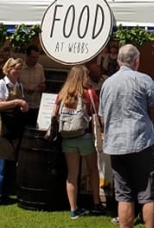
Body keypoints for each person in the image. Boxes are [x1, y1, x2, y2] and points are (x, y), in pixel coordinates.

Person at [98, 44, 154, 228]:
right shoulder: (144, 80)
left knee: (124, 196)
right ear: (136, 61)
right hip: (141, 142)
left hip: (116, 146)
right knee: (149, 195)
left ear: (118, 61)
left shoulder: (107, 84)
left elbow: (102, 118)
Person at [52, 65, 104, 219]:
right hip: (85, 136)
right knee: (92, 169)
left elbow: (54, 114)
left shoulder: (62, 93)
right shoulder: (88, 93)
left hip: (68, 138)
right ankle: (96, 203)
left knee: (72, 174)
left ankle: (73, 209)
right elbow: (97, 112)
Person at [0, 58, 29, 205]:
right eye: (15, 68)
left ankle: (5, 192)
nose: (18, 71)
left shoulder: (19, 85)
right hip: (1, 124)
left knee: (9, 160)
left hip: (13, 125)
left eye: (19, 69)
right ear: (8, 69)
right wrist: (17, 102)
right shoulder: (1, 84)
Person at [18, 46, 46, 123]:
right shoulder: (19, 68)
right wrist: (24, 89)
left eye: (37, 57)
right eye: (33, 57)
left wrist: (42, 87)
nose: (35, 60)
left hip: (36, 105)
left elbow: (42, 83)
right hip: (22, 106)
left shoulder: (40, 68)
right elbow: (14, 85)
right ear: (26, 56)